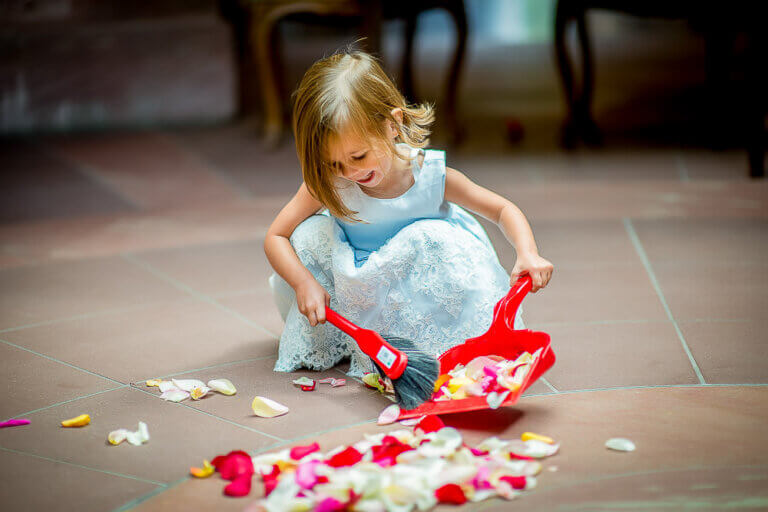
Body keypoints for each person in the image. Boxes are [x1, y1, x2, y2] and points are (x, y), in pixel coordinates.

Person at [264, 50, 553, 377]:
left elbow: (502, 209)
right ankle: (342, 341)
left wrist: (527, 253)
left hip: (424, 282)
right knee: (307, 234)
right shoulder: (330, 182)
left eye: (358, 156)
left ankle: (441, 343)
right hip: (363, 282)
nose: (348, 172)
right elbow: (276, 235)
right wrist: (303, 283)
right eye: (334, 163)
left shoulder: (428, 176)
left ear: (393, 124)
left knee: (429, 236)